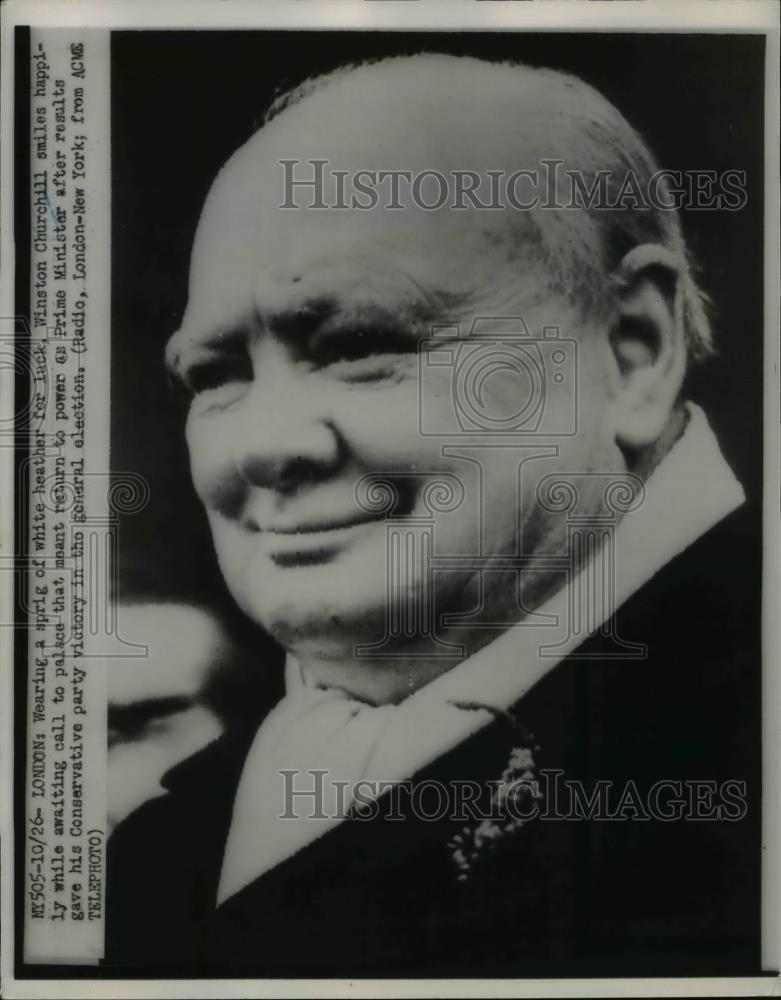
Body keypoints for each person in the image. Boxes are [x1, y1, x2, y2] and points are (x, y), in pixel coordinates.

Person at [106, 55, 761, 976]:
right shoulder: (154, 852)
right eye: (216, 375)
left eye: (361, 346)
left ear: (630, 352)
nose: (260, 446)